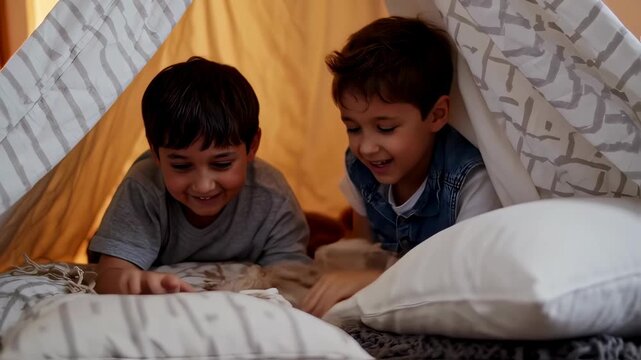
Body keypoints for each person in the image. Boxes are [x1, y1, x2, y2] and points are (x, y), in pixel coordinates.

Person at [302, 17, 502, 316]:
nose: (366, 147)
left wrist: (374, 281)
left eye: (385, 128)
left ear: (437, 115)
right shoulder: (361, 167)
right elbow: (362, 247)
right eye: (353, 128)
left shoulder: (470, 179)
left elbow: (468, 272)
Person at [88, 56, 311, 295]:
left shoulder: (272, 197)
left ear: (252, 146)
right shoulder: (144, 187)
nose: (203, 186)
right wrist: (131, 283)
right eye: (182, 166)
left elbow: (293, 280)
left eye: (222, 164)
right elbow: (109, 275)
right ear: (156, 154)